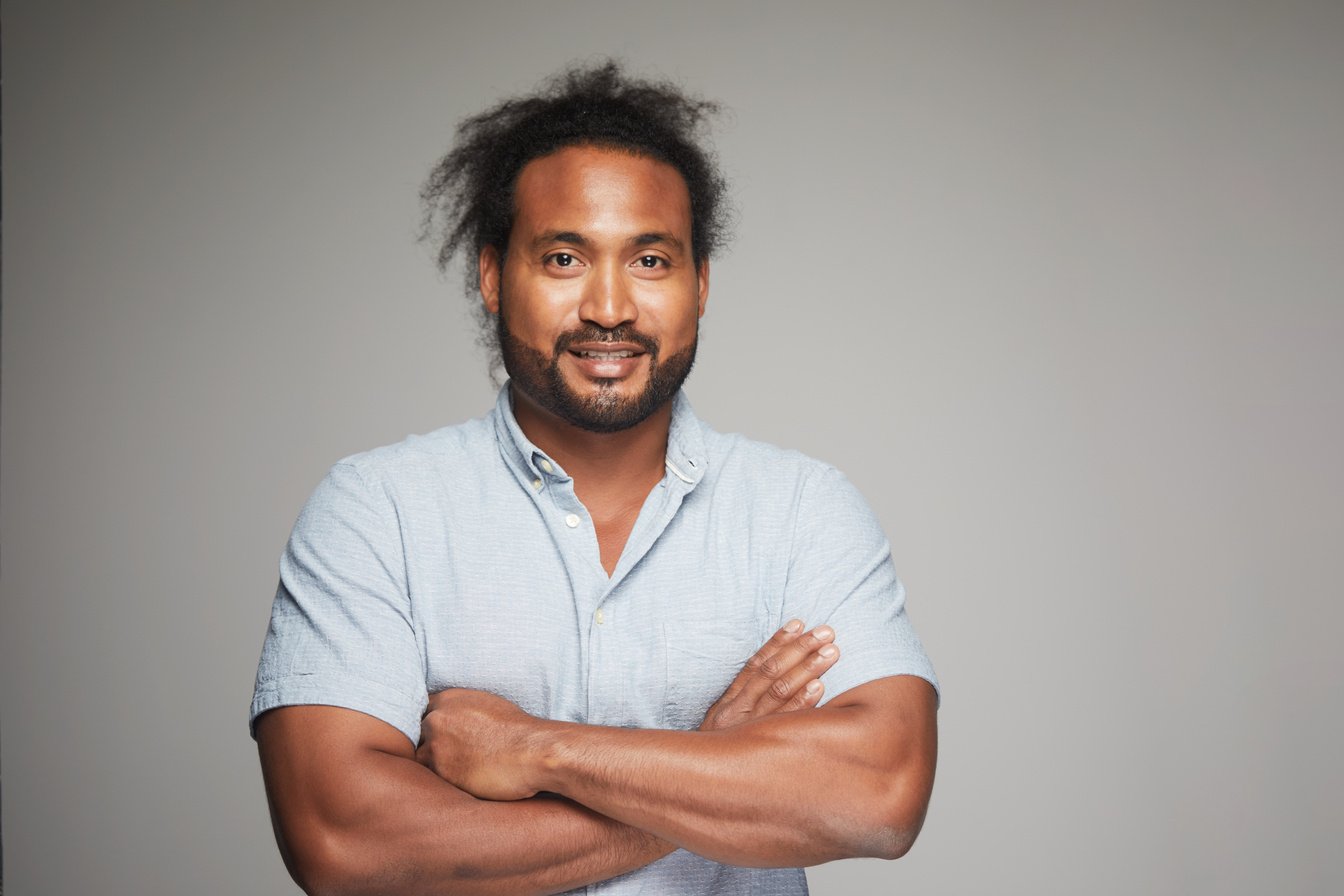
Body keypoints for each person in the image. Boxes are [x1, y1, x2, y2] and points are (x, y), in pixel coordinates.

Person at [250, 61, 939, 895]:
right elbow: (344, 842)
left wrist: (534, 750)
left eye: (650, 260)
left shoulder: (802, 512)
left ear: (701, 284)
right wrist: (717, 768)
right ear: (493, 276)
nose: (609, 307)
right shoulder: (376, 512)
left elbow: (881, 795)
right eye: (566, 257)